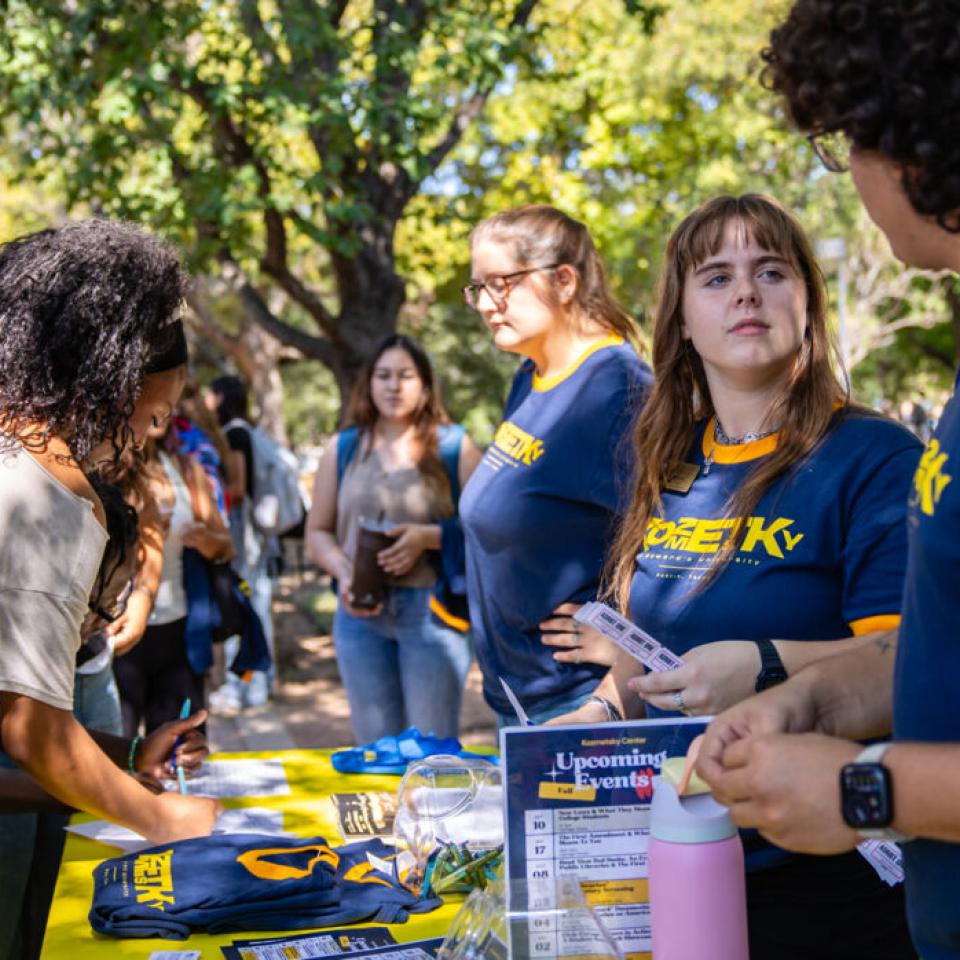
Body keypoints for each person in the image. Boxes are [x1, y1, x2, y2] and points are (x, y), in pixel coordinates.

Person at [557, 194, 920, 959]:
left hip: (829, 874)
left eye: (771, 271)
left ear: (808, 305)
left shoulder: (875, 459)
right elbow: (647, 660)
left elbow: (905, 659)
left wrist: (762, 666)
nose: (747, 292)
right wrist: (591, 721)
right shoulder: (669, 458)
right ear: (682, 320)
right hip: (674, 851)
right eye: (716, 277)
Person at [691, 5, 960, 959]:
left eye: (850, 138)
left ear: (917, 143)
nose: (849, 172)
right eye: (713, 278)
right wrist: (806, 701)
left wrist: (866, 787)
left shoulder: (870, 452)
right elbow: (926, 654)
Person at [0, 220, 220, 954]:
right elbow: (28, 729)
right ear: (107, 383)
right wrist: (161, 821)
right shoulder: (40, 495)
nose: (148, 439)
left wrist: (126, 761)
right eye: (153, 416)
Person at [458, 204, 652, 725]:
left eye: (501, 283)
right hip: (520, 699)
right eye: (478, 287)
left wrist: (630, 642)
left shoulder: (618, 391)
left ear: (564, 281)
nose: (485, 303)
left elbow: (680, 543)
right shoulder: (532, 375)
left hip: (579, 702)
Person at [306, 334, 481, 743]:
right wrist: (344, 572)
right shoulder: (343, 447)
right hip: (358, 614)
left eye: (405, 375)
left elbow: (488, 530)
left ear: (424, 384)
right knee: (376, 750)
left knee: (432, 750)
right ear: (368, 383)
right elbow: (317, 532)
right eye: (383, 375)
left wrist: (429, 537)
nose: (394, 386)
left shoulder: (455, 446)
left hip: (433, 615)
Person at [113, 421, 235, 736]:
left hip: (179, 631)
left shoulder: (185, 468)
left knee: (179, 755)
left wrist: (207, 540)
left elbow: (225, 546)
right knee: (115, 754)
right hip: (116, 635)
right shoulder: (104, 467)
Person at [205, 375, 277, 711]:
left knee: (246, 608)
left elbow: (236, 486)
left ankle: (246, 686)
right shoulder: (247, 431)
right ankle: (259, 684)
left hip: (243, 536)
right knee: (257, 604)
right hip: (256, 538)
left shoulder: (234, 434)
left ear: (221, 397)